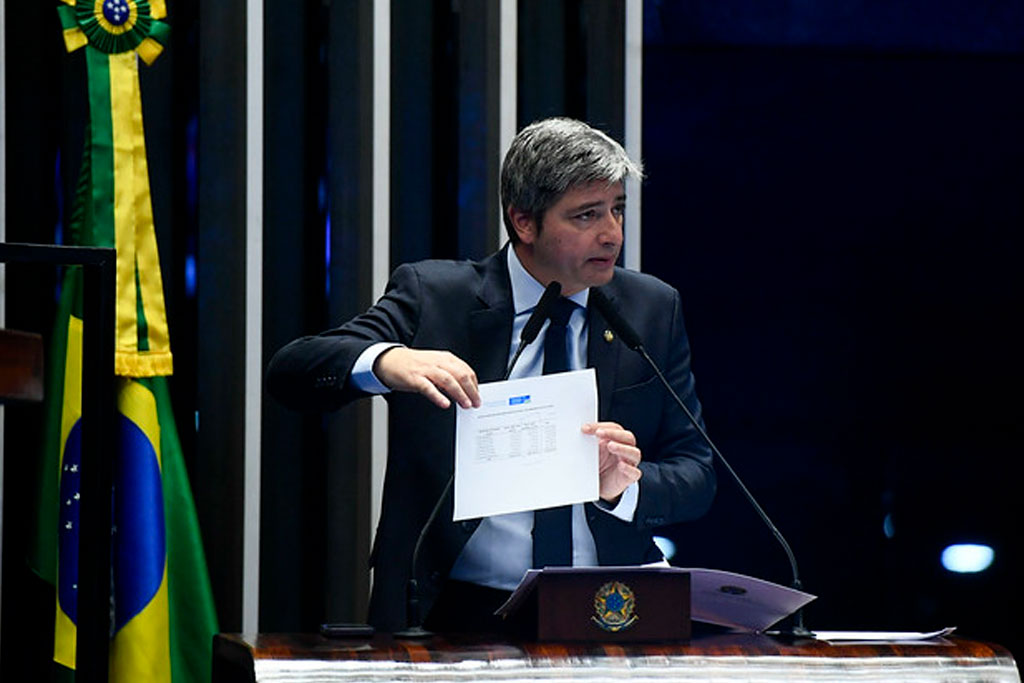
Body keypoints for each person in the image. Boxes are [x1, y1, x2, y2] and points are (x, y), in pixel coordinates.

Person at [266, 117, 716, 633]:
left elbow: (697, 472)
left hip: (606, 609)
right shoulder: (437, 298)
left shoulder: (651, 308)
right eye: (587, 215)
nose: (612, 233)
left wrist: (624, 488)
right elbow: (292, 371)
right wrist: (388, 361)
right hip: (456, 612)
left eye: (617, 209)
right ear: (524, 222)